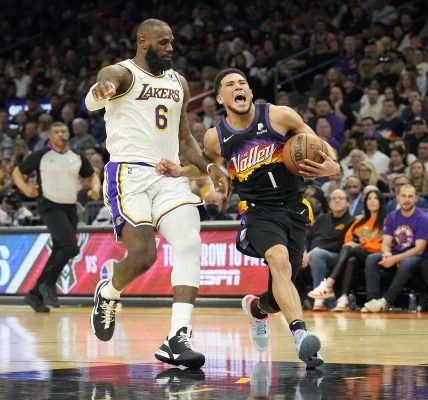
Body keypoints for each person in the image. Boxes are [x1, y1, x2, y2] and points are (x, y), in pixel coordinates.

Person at [160, 68, 340, 368]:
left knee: (279, 292)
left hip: (295, 207)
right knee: (279, 260)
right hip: (258, 211)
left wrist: (333, 165)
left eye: (242, 83)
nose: (238, 87)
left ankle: (257, 308)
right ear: (221, 98)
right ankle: (302, 338)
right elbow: (207, 166)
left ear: (251, 92)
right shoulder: (215, 137)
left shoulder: (280, 116)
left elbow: (319, 144)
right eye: (230, 84)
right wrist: (180, 171)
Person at [84, 19, 231, 369]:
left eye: (172, 42)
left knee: (189, 242)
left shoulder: (179, 82)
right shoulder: (124, 73)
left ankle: (178, 336)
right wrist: (103, 86)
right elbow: (107, 78)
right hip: (128, 174)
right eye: (163, 42)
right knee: (144, 256)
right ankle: (109, 291)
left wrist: (210, 167)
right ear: (143, 41)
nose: (170, 48)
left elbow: (185, 138)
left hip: (168, 175)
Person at [12, 122, 101, 312]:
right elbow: (17, 171)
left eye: (64, 131)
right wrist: (26, 188)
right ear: (50, 136)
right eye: (57, 132)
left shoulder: (76, 156)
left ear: (68, 134)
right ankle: (48, 285)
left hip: (70, 207)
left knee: (60, 250)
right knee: (70, 247)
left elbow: (92, 175)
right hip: (49, 205)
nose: (61, 134)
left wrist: (95, 188)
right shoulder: (42, 155)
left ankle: (35, 294)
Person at [362, 185, 428, 312]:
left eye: (410, 196)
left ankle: (386, 301)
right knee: (372, 258)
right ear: (398, 198)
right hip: (399, 252)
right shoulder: (392, 216)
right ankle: (372, 300)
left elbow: (419, 249)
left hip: (420, 256)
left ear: (416, 199)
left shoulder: (423, 218)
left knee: (406, 262)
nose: (406, 199)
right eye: (403, 196)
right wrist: (386, 253)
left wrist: (395, 259)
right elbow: (385, 243)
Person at [312, 189, 386, 312]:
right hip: (357, 255)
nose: (372, 201)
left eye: (375, 198)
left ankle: (328, 284)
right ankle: (344, 298)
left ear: (381, 202)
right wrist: (356, 244)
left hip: (374, 255)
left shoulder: (386, 221)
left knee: (348, 248)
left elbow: (382, 244)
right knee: (351, 259)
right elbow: (348, 238)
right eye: (369, 198)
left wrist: (361, 245)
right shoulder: (360, 221)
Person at [303, 189, 352, 311]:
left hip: (336, 257)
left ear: (348, 202)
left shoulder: (352, 221)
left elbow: (340, 244)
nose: (337, 200)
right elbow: (307, 238)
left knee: (317, 254)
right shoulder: (322, 219)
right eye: (334, 198)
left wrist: (312, 252)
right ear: (329, 203)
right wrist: (304, 252)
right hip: (311, 255)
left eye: (340, 198)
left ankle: (320, 299)